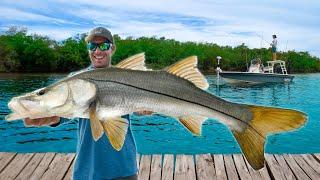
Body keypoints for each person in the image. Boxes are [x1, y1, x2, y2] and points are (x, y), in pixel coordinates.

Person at [24, 27, 145, 180]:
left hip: (123, 166)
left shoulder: (129, 77)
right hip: (88, 168)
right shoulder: (74, 79)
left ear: (112, 49)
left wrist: (143, 110)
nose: (97, 51)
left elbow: (140, 107)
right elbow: (64, 113)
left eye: (103, 46)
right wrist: (51, 117)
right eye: (92, 46)